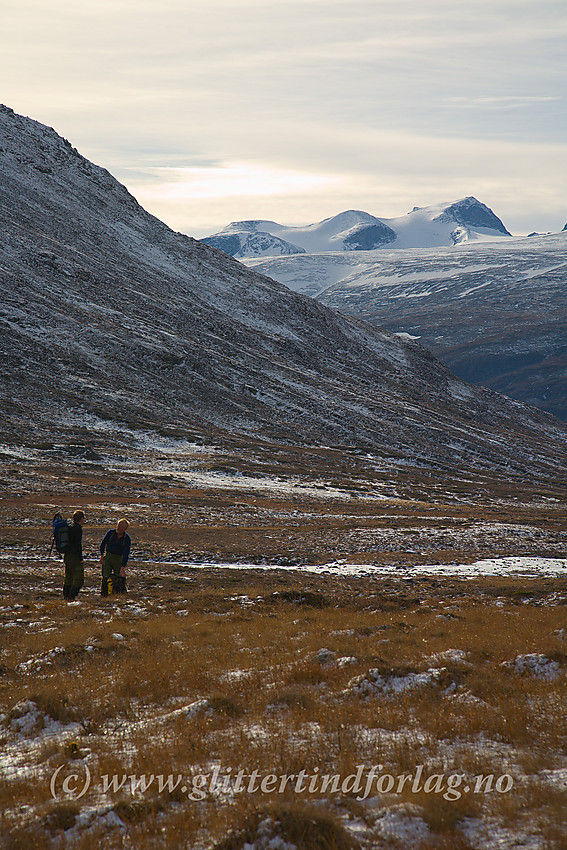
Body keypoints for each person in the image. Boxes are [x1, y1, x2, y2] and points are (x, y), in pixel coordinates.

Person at [100, 519, 131, 596]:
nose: (118, 528)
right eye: (118, 525)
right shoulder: (111, 533)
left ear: (125, 529)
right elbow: (103, 543)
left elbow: (126, 553)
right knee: (105, 576)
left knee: (118, 577)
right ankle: (104, 594)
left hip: (118, 559)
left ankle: (116, 594)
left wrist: (123, 567)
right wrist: (101, 555)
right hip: (108, 557)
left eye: (120, 527)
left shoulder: (126, 539)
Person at [63, 510, 85, 601]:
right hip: (74, 556)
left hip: (67, 555)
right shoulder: (78, 529)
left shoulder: (69, 527)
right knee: (79, 577)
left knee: (69, 576)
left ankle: (66, 596)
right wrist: (80, 558)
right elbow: (77, 544)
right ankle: (71, 596)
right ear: (82, 519)